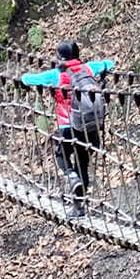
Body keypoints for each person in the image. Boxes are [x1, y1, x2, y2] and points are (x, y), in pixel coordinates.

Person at [19, 41, 117, 208]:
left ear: (60, 57)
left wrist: (22, 78)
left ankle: (71, 176)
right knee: (83, 163)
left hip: (68, 127)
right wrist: (106, 66)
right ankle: (79, 207)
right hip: (89, 127)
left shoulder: (55, 75)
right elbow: (109, 63)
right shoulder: (89, 68)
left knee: (61, 155)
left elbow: (29, 79)